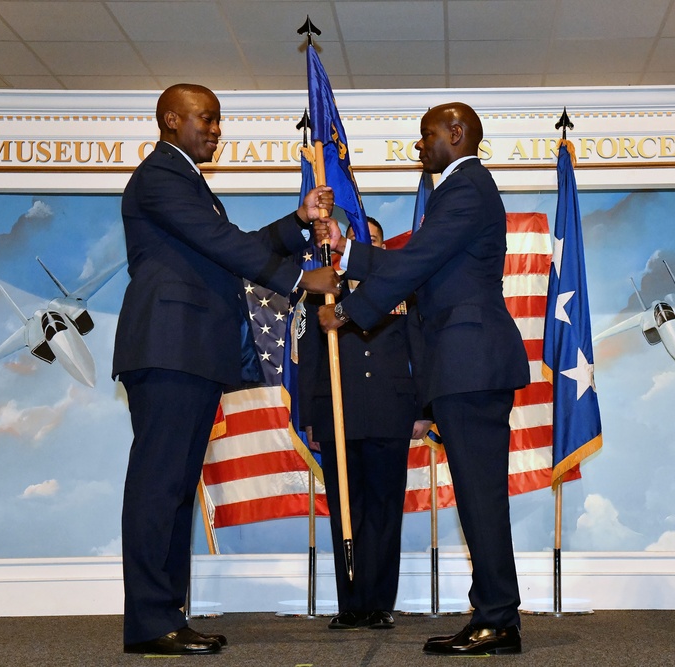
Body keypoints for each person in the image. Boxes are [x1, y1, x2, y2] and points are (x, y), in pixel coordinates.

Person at [112, 83, 340, 655]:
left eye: (218, 120)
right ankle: (150, 621)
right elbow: (222, 242)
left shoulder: (188, 182)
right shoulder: (162, 174)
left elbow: (226, 247)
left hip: (189, 351)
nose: (216, 129)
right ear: (170, 120)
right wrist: (297, 278)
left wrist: (298, 219)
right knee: (158, 486)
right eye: (205, 119)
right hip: (168, 347)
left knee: (174, 488)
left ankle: (166, 617)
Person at [318, 102, 530, 656]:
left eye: (426, 134)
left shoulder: (466, 187)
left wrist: (347, 311)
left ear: (456, 135)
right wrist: (348, 259)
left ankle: (498, 619)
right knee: (476, 495)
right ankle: (494, 613)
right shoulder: (460, 191)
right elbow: (420, 264)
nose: (420, 145)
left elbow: (418, 262)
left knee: (480, 496)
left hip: (471, 361)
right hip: (463, 364)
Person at [298, 217, 431, 631]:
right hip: (340, 412)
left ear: (382, 247)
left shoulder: (404, 291)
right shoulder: (324, 292)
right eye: (364, 240)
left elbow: (420, 351)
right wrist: (310, 418)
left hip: (392, 412)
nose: (370, 244)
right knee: (345, 511)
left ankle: (379, 604)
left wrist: (425, 410)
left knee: (385, 510)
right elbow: (309, 359)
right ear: (350, 245)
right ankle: (351, 603)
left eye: (376, 240)